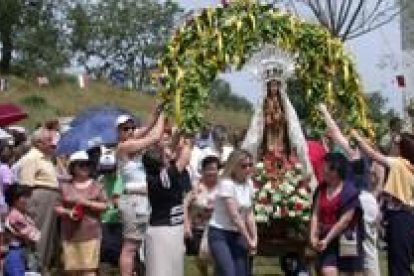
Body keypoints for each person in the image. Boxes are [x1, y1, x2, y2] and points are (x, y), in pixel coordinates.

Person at [351, 130, 414, 276]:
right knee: (401, 259)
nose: (392, 147)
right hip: (406, 217)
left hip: (399, 216)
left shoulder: (399, 163)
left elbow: (373, 155)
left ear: (401, 149)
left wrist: (357, 138)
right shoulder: (409, 166)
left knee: (398, 262)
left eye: (395, 145)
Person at [116, 107, 164, 276]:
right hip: (133, 200)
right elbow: (155, 136)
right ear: (118, 132)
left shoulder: (132, 140)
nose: (130, 131)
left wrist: (159, 109)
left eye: (131, 127)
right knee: (130, 246)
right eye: (125, 128)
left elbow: (149, 126)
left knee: (140, 245)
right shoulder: (124, 147)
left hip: (143, 200)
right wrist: (164, 112)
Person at [143, 134, 192, 276]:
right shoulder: (163, 178)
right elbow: (184, 157)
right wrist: (188, 138)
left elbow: (172, 152)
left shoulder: (156, 176)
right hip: (163, 232)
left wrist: (178, 134)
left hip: (172, 229)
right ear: (160, 164)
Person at [310, 153, 363, 276]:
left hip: (346, 239)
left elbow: (344, 221)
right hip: (324, 237)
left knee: (348, 273)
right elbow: (315, 213)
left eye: (327, 169)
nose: (323, 171)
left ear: (336, 171)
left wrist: (327, 240)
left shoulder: (350, 192)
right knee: (327, 271)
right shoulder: (321, 189)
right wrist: (312, 235)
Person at [55, 151, 107, 275]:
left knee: (89, 270)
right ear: (73, 167)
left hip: (91, 234)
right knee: (72, 270)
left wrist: (86, 203)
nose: (85, 168)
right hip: (69, 235)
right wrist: (68, 212)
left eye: (87, 164)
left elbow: (105, 205)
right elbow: (57, 207)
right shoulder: (64, 186)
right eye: (81, 165)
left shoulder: (97, 185)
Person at [208, 149, 257, 276]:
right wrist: (248, 239)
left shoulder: (249, 184)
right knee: (228, 272)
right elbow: (234, 216)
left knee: (242, 273)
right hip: (220, 233)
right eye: (244, 166)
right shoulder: (227, 184)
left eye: (250, 165)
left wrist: (255, 238)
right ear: (234, 166)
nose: (248, 168)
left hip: (238, 235)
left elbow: (249, 214)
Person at [18, 127, 60, 271]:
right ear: (38, 143)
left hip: (50, 197)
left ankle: (43, 266)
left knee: (48, 234)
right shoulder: (32, 158)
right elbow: (26, 184)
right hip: (39, 197)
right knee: (39, 233)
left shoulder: (46, 158)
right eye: (48, 140)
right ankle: (35, 267)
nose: (52, 144)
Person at [185, 155, 220, 276]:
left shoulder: (223, 186)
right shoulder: (196, 185)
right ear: (203, 170)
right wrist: (186, 225)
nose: (211, 172)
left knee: (217, 257)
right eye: (208, 169)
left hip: (217, 228)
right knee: (200, 257)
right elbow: (185, 204)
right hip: (198, 227)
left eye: (214, 169)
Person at [3, 184, 41, 276]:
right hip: (16, 254)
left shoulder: (23, 214)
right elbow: (34, 235)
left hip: (23, 252)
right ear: (14, 199)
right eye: (23, 197)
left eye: (27, 197)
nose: (27, 200)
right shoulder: (15, 216)